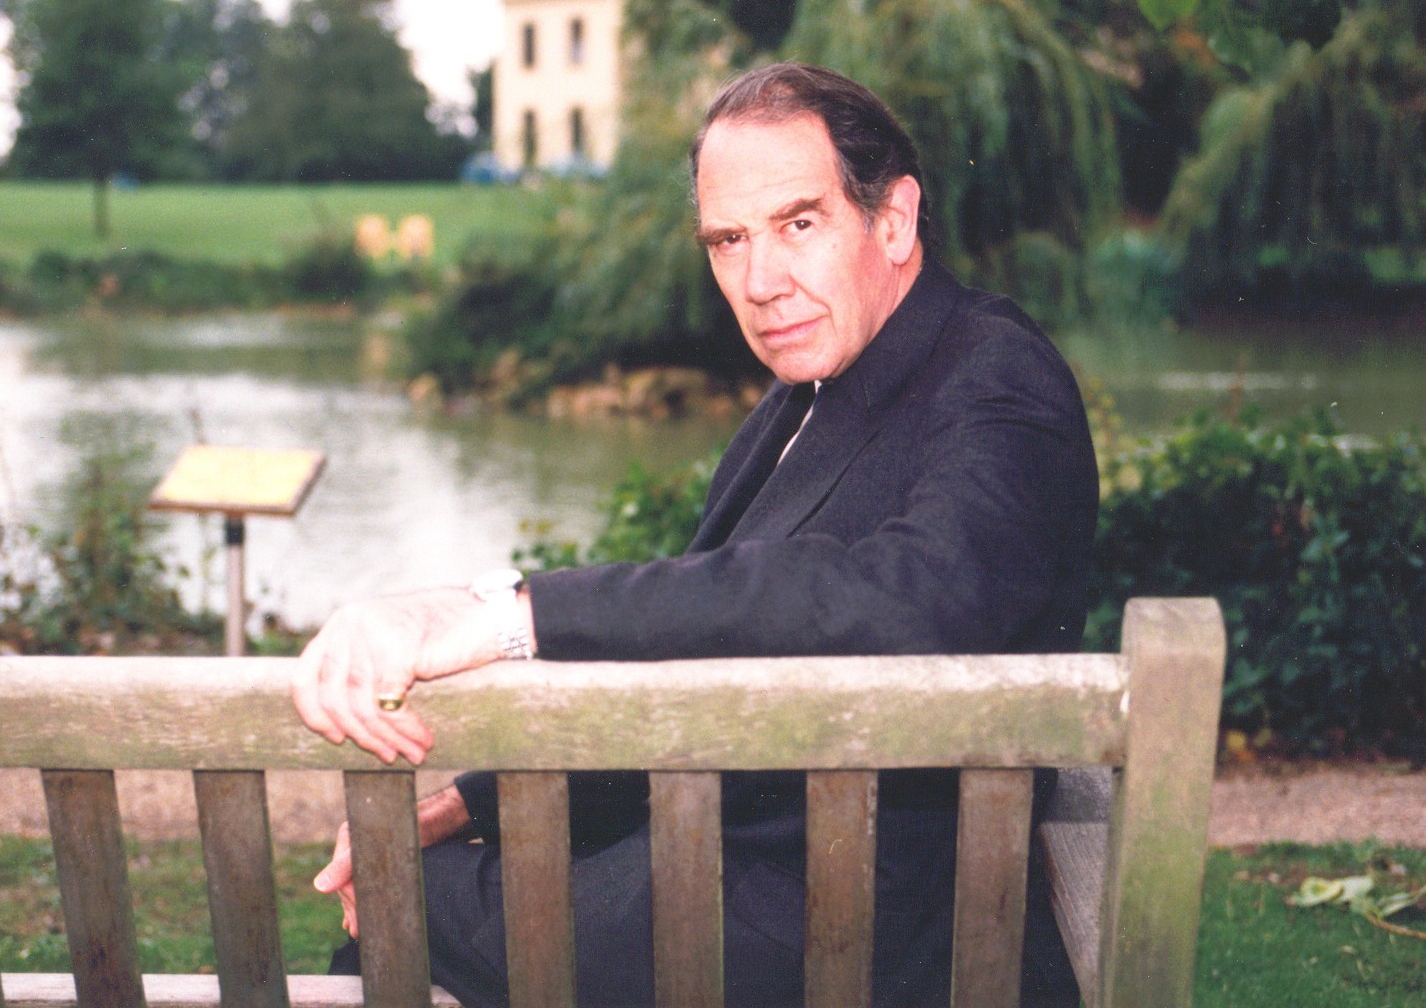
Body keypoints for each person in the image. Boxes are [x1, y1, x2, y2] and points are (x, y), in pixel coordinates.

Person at [292, 61, 1097, 1008]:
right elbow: (707, 651)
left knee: (400, 890)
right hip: (750, 880)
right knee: (414, 866)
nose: (760, 281)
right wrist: (476, 801)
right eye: (728, 240)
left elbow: (911, 595)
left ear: (893, 219)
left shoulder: (993, 372)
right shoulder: (803, 398)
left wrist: (515, 614)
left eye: (798, 225)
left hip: (856, 939)